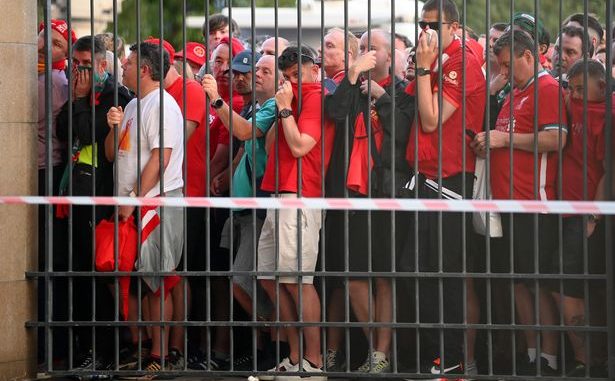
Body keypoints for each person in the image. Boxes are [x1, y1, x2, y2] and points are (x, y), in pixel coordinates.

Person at [471, 30, 567, 376]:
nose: (505, 73)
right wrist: (489, 143)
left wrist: (503, 140)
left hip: (533, 204)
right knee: (517, 281)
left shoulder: (547, 89)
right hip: (507, 205)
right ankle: (532, 353)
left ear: (530, 56)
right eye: (501, 66)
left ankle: (550, 358)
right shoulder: (517, 92)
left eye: (510, 65)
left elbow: (557, 139)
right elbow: (505, 140)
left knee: (534, 282)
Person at [324, 29, 413, 374]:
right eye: (361, 48)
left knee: (384, 277)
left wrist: (381, 96)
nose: (366, 53)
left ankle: (380, 354)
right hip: (352, 196)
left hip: (388, 195)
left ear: (390, 56)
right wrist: (352, 75)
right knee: (355, 275)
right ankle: (378, 348)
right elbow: (335, 112)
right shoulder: (350, 86)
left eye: (372, 48)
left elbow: (405, 135)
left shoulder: (402, 92)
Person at [404, 0, 486, 377]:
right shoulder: (435, 57)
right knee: (418, 270)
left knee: (444, 273)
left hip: (449, 180)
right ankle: (435, 355)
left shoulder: (460, 61)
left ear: (454, 27)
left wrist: (422, 68)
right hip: (424, 177)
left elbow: (432, 119)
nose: (425, 32)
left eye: (433, 25)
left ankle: (451, 360)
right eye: (422, 24)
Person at [203, 52, 288, 371]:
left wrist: (215, 100)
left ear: (280, 78)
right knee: (247, 280)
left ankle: (274, 341)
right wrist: (229, 174)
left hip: (260, 207)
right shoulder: (253, 106)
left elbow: (243, 133)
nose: (256, 75)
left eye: (265, 70)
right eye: (257, 70)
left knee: (245, 281)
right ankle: (265, 347)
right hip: (241, 205)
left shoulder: (271, 108)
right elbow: (244, 148)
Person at [105, 41, 185, 374]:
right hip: (133, 204)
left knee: (157, 280)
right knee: (138, 279)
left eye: (128, 62)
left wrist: (134, 200)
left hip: (153, 204)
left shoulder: (162, 105)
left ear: (145, 69)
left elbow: (161, 158)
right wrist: (113, 126)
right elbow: (112, 154)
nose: (122, 67)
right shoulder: (135, 104)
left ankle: (161, 355)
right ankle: (146, 348)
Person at [257, 46, 334, 379]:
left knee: (298, 280)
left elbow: (301, 145)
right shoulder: (289, 100)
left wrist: (287, 108)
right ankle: (294, 355)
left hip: (301, 194)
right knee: (271, 278)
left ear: (312, 70)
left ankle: (313, 360)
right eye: (286, 77)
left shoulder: (315, 96)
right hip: (278, 193)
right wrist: (281, 107)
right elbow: (271, 144)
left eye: (296, 76)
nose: (291, 82)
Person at [55, 35, 132, 373]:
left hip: (101, 196)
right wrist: (78, 99)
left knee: (100, 276)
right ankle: (82, 347)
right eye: (75, 65)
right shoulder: (79, 96)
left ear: (102, 64)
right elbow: (62, 129)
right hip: (75, 192)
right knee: (78, 274)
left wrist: (81, 99)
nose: (79, 72)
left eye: (86, 66)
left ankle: (106, 350)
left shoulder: (116, 95)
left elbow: (88, 134)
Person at [143, 37, 207, 371]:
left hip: (186, 192)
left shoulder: (190, 91)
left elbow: (175, 140)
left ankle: (176, 348)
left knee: (176, 274)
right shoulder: (151, 97)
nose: (183, 65)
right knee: (164, 273)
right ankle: (163, 347)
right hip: (161, 193)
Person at [186, 35, 246, 372]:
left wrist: (207, 183)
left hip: (218, 199)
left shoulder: (231, 103)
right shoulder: (211, 100)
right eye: (217, 60)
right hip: (198, 197)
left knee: (219, 276)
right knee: (201, 274)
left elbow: (224, 157)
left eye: (227, 61)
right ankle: (204, 344)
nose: (221, 68)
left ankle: (220, 348)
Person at [554, 59, 612, 377]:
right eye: (571, 87)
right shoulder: (573, 103)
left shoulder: (608, 114)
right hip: (562, 207)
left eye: (580, 89)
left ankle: (589, 362)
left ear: (602, 86)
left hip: (586, 213)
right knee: (563, 283)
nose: (574, 94)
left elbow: (608, 170)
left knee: (573, 286)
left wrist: (594, 212)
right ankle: (586, 358)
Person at [37, 18, 76, 368]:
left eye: (57, 44)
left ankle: (57, 350)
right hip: (42, 172)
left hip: (51, 173)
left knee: (54, 261)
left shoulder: (55, 81)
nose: (46, 47)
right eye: (42, 39)